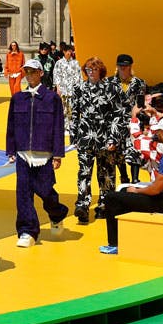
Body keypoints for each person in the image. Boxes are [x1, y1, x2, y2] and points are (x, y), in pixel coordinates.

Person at [5, 59, 69, 248]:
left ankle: (57, 213)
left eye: (33, 72)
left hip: (45, 155)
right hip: (23, 154)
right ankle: (27, 231)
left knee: (46, 192)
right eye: (27, 72)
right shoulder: (18, 98)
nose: (30, 75)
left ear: (41, 73)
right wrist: (11, 149)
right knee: (23, 194)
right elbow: (11, 126)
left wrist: (58, 154)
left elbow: (59, 126)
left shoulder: (52, 98)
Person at [98, 116, 163, 255]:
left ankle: (115, 243)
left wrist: (136, 191)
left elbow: (156, 189)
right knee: (123, 191)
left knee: (112, 197)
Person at [69, 56, 126, 224]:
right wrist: (74, 136)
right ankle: (82, 205)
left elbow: (118, 115)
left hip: (105, 138)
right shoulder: (79, 88)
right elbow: (74, 114)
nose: (91, 72)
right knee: (84, 172)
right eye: (88, 69)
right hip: (85, 138)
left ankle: (104, 206)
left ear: (100, 71)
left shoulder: (111, 89)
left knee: (106, 174)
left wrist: (114, 138)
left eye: (94, 69)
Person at [110, 53, 147, 185]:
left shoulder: (139, 83)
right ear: (117, 66)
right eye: (120, 66)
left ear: (130, 66)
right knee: (118, 152)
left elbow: (141, 101)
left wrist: (136, 111)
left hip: (133, 120)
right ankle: (124, 176)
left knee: (134, 148)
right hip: (115, 121)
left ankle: (135, 179)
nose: (123, 69)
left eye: (125, 66)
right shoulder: (110, 83)